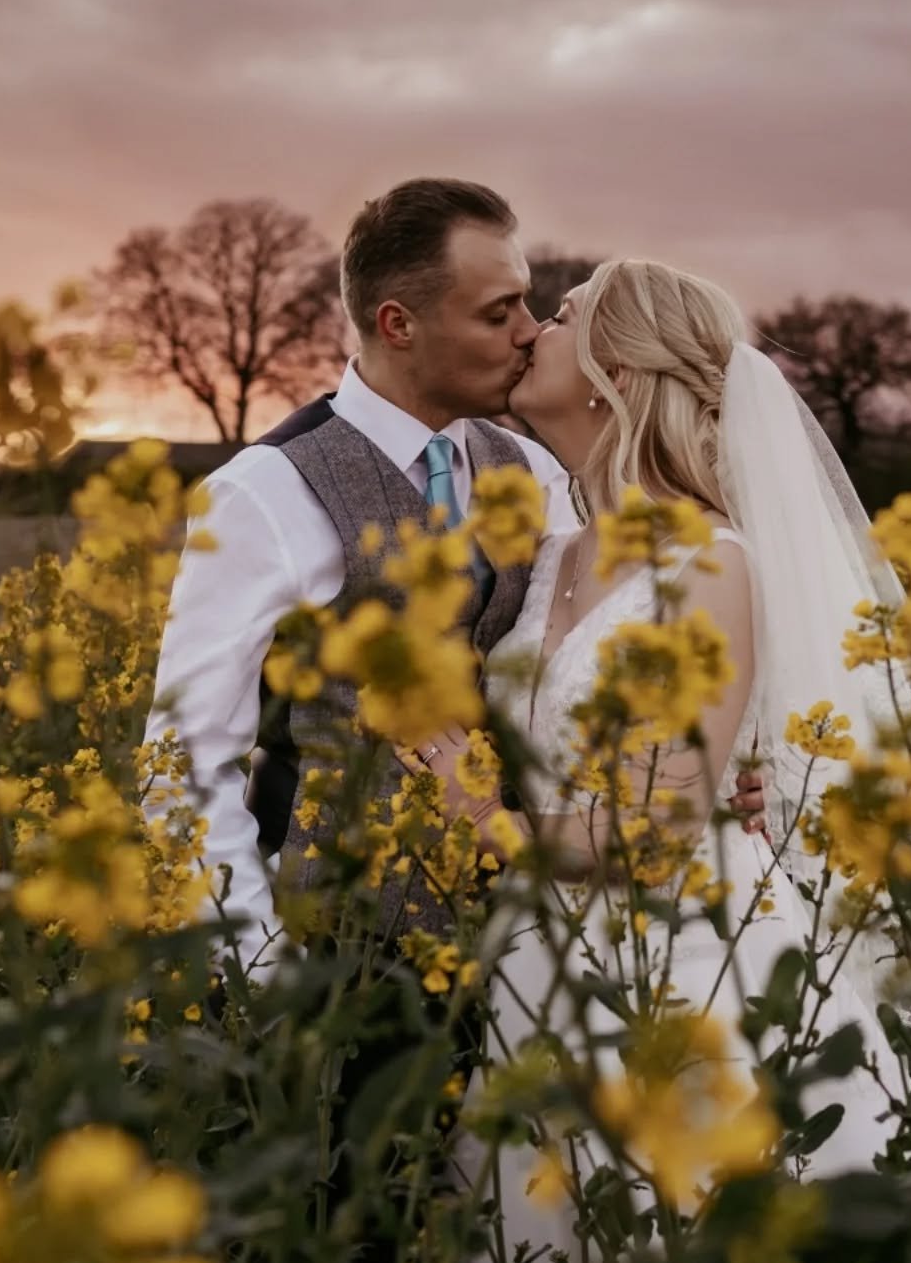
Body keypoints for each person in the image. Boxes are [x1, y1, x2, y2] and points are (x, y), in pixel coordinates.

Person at [423, 259, 911, 1263]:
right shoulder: (551, 555)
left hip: (688, 968)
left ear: (614, 373)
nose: (534, 325)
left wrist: (478, 818)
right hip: (542, 970)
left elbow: (658, 830)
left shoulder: (709, 564)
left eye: (566, 314)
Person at [143, 182, 770, 975]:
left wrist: (726, 779)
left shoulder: (538, 474)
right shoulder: (262, 493)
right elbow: (187, 761)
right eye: (496, 313)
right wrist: (257, 967)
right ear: (398, 324)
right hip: (345, 958)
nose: (528, 333)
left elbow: (627, 642)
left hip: (529, 951)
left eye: (529, 306)